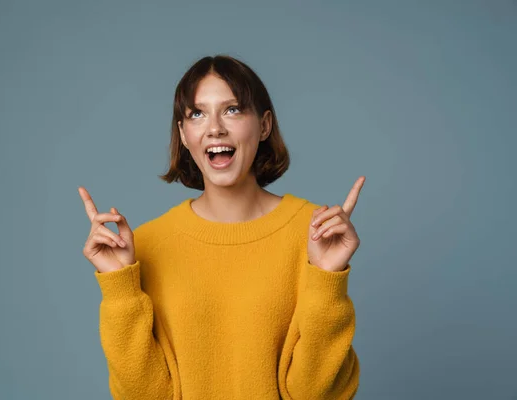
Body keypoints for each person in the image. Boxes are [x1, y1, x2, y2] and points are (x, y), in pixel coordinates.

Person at [78, 54, 366, 400]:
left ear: (264, 125)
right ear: (184, 134)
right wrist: (120, 289)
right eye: (197, 114)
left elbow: (316, 394)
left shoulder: (315, 234)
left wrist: (326, 282)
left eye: (232, 109)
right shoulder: (147, 246)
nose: (215, 127)